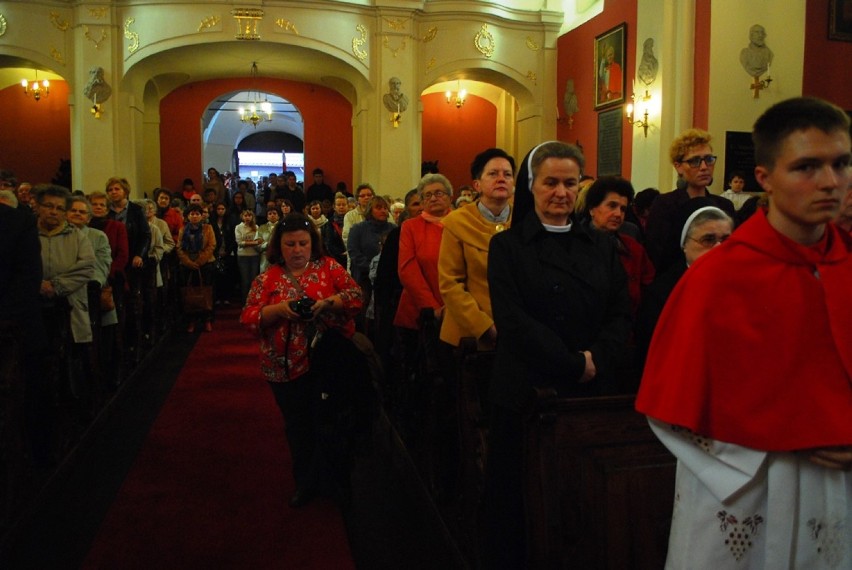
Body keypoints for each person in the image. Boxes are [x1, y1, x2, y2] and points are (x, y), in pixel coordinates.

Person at [636, 97, 852, 569]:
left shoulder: (847, 267)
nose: (831, 182)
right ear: (765, 178)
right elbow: (669, 407)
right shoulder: (718, 277)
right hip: (743, 491)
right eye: (807, 167)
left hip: (836, 489)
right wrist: (791, 434)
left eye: (841, 163)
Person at [484, 141, 630, 568]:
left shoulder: (602, 246)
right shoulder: (508, 247)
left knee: (581, 496)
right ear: (532, 187)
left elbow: (620, 314)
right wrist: (572, 363)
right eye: (551, 182)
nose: (561, 192)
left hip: (590, 389)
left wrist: (595, 358)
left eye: (570, 183)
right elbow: (513, 322)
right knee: (518, 502)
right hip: (527, 390)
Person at [240, 213, 364, 508]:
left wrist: (326, 304)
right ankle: (305, 482)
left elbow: (356, 296)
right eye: (290, 244)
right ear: (278, 247)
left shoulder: (329, 268)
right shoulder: (267, 278)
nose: (297, 250)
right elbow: (248, 318)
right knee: (298, 426)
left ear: (313, 244)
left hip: (327, 362)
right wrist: (280, 309)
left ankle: (336, 482)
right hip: (283, 367)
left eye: (303, 243)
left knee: (332, 422)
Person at [634, 204, 733, 370]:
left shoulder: (744, 287)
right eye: (708, 240)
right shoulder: (661, 294)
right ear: (684, 245)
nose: (718, 248)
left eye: (725, 240)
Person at [438, 148, 514, 350]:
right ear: (477, 185)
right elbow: (450, 283)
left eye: (507, 174)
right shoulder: (458, 222)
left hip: (517, 332)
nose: (501, 179)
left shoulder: (525, 221)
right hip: (469, 335)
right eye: (493, 174)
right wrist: (483, 325)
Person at [644, 129, 736, 272]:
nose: (704, 167)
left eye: (709, 159)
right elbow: (657, 256)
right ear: (678, 166)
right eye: (695, 161)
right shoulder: (665, 205)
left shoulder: (724, 206)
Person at [394, 174, 453, 344]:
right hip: (420, 311)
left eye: (439, 193)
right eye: (427, 195)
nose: (433, 198)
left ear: (450, 197)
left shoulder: (462, 223)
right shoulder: (410, 227)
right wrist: (433, 308)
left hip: (457, 309)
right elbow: (407, 271)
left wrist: (456, 306)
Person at [584, 176, 655, 317]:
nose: (618, 214)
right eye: (612, 206)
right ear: (592, 209)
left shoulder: (633, 249)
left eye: (623, 209)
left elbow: (649, 291)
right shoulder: (576, 245)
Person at [176, 204, 216, 332]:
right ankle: (191, 320)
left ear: (201, 215)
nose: (194, 216)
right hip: (187, 264)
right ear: (187, 216)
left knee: (206, 291)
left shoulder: (207, 228)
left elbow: (211, 245)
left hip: (205, 263)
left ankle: (207, 320)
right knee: (190, 292)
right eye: (192, 214)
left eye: (197, 214)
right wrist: (188, 261)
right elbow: (179, 248)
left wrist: (200, 261)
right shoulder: (183, 229)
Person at [234, 209, 263, 303]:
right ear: (242, 217)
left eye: (249, 216)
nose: (247, 217)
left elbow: (259, 241)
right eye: (245, 216)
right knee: (245, 280)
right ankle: (245, 301)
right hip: (243, 256)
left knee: (253, 280)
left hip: (254, 255)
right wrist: (253, 242)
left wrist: (249, 243)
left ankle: (253, 300)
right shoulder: (238, 227)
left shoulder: (256, 227)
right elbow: (240, 243)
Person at [342, 183, 375, 250]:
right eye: (362, 196)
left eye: (369, 195)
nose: (366, 197)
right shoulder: (349, 216)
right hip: (356, 254)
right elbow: (347, 237)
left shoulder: (382, 214)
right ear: (357, 199)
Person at [321, 193, 349, 267]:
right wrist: (341, 254)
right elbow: (329, 244)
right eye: (339, 205)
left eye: (343, 204)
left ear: (348, 206)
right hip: (336, 260)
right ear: (334, 207)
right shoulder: (329, 224)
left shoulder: (351, 221)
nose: (341, 207)